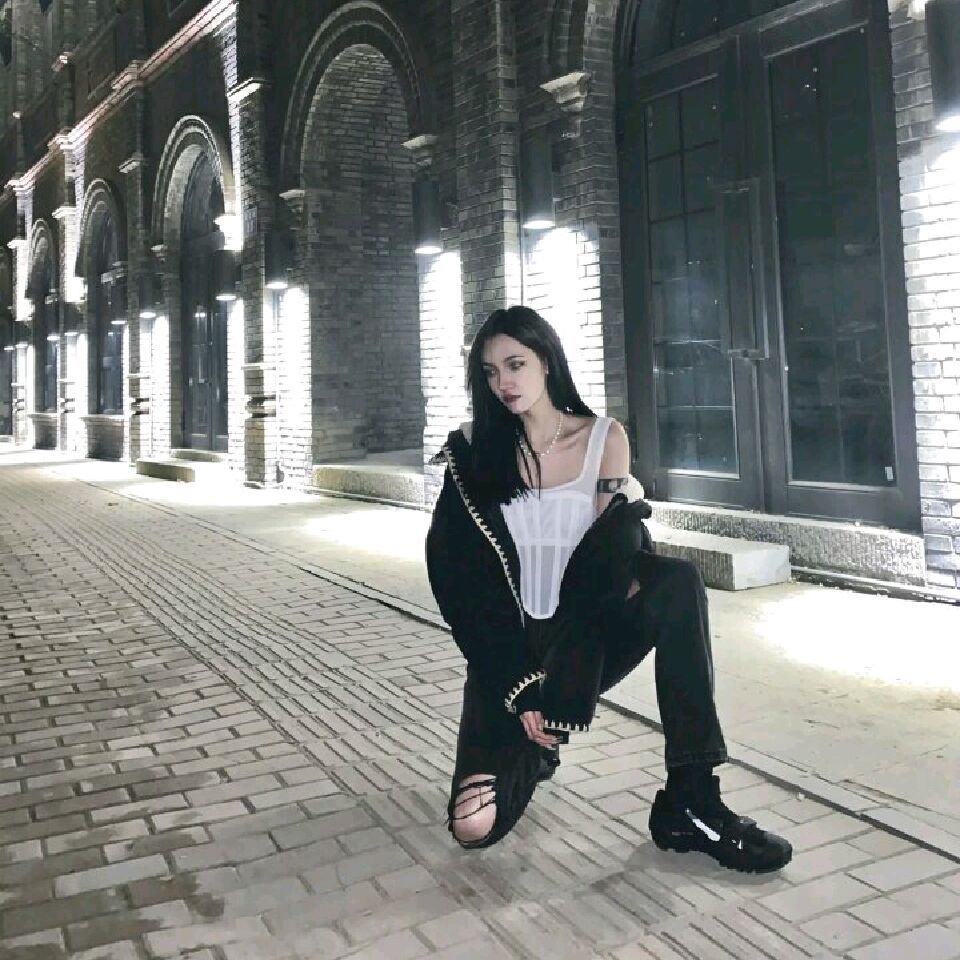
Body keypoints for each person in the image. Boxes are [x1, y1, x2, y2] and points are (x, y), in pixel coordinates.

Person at [425, 305, 792, 873]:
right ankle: (533, 754)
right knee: (472, 827)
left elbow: (605, 569)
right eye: (491, 372)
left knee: (677, 582)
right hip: (510, 652)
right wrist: (522, 689)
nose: (504, 383)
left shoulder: (603, 439)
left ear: (546, 360)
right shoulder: (473, 451)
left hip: (583, 636)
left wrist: (562, 691)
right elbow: (458, 584)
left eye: (516, 364)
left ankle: (691, 798)